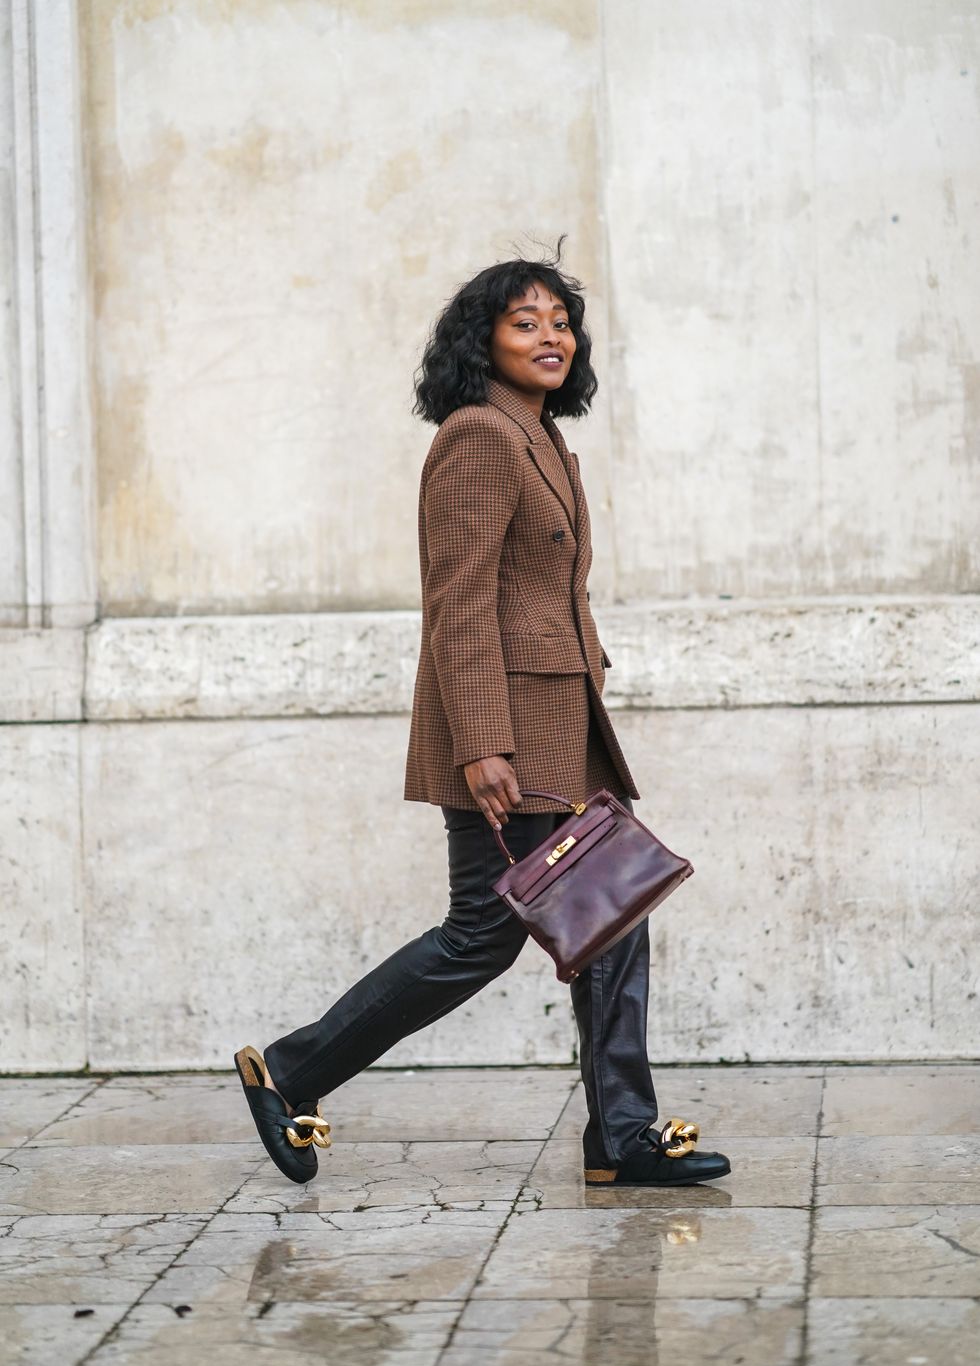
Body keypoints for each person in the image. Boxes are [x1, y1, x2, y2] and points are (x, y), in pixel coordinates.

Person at [235, 249, 731, 1189]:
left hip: (563, 721)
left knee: (615, 912)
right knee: (481, 932)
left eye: (560, 321)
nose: (551, 336)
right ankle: (292, 1069)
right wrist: (481, 745)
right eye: (524, 322)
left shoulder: (540, 438)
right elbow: (457, 603)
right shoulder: (477, 437)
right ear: (483, 342)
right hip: (506, 732)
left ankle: (620, 1135)